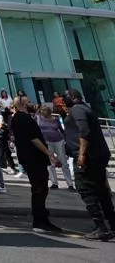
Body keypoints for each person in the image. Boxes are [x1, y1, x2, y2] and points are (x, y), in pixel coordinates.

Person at [63, 88, 115, 240]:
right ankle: (111, 224)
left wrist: (81, 154)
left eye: (65, 97)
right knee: (101, 191)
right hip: (97, 156)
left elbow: (84, 131)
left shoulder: (77, 109)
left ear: (73, 97)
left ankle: (101, 227)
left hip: (89, 158)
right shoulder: (85, 108)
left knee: (86, 190)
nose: (62, 100)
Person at [10, 95, 63, 234]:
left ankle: (42, 218)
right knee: (39, 188)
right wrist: (50, 154)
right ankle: (39, 221)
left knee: (40, 188)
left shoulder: (20, 118)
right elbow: (34, 139)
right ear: (21, 104)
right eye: (28, 102)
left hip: (31, 158)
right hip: (33, 158)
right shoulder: (22, 118)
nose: (31, 104)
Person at [36, 103, 74, 190]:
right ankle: (54, 183)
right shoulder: (38, 119)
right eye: (42, 110)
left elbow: (62, 130)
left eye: (44, 110)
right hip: (47, 142)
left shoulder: (56, 119)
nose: (43, 112)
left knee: (63, 162)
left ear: (48, 111)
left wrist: (66, 140)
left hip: (59, 141)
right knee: (50, 163)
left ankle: (70, 183)